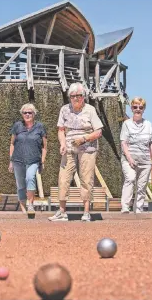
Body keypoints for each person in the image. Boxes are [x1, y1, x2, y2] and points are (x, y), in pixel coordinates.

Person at [48, 83, 103, 222]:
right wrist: (62, 144)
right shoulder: (64, 109)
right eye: (73, 96)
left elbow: (98, 132)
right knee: (63, 177)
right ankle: (62, 212)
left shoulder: (90, 110)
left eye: (79, 96)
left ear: (83, 97)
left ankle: (86, 212)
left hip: (87, 148)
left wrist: (84, 138)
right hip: (69, 147)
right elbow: (61, 130)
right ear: (69, 98)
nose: (76, 99)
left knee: (86, 178)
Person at [120, 97, 152, 213]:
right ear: (131, 108)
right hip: (129, 158)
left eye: (140, 107)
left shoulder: (148, 124)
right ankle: (125, 207)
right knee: (130, 179)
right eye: (135, 107)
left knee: (141, 186)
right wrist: (130, 158)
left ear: (144, 109)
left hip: (145, 160)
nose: (138, 109)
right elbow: (123, 143)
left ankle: (138, 209)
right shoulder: (126, 124)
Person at [8, 103, 47, 216]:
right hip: (17, 160)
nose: (27, 114)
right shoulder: (17, 126)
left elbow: (44, 146)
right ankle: (23, 208)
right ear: (22, 114)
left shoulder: (40, 127)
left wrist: (42, 161)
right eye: (25, 112)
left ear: (34, 114)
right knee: (20, 185)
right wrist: (11, 161)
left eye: (30, 112)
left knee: (30, 178)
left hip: (33, 159)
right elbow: (12, 144)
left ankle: (30, 205)